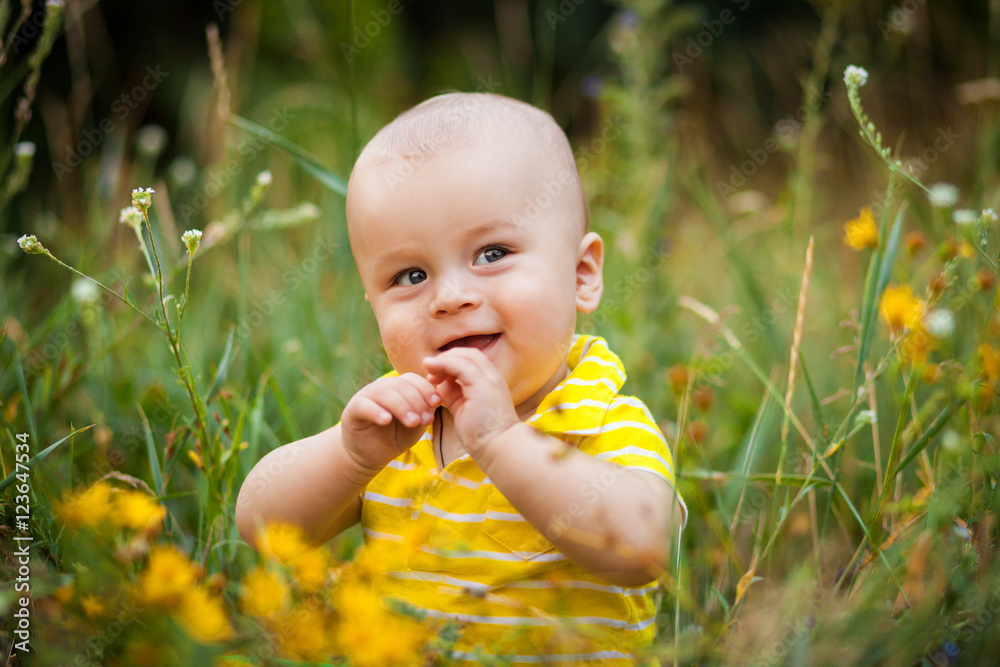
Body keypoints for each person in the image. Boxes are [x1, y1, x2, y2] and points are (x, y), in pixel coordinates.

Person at [236, 92, 687, 664]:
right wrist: (350, 455)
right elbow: (262, 528)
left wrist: (501, 440)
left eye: (492, 253)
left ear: (580, 275)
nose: (450, 297)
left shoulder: (601, 422)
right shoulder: (399, 432)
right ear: (372, 303)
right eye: (410, 274)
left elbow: (644, 547)